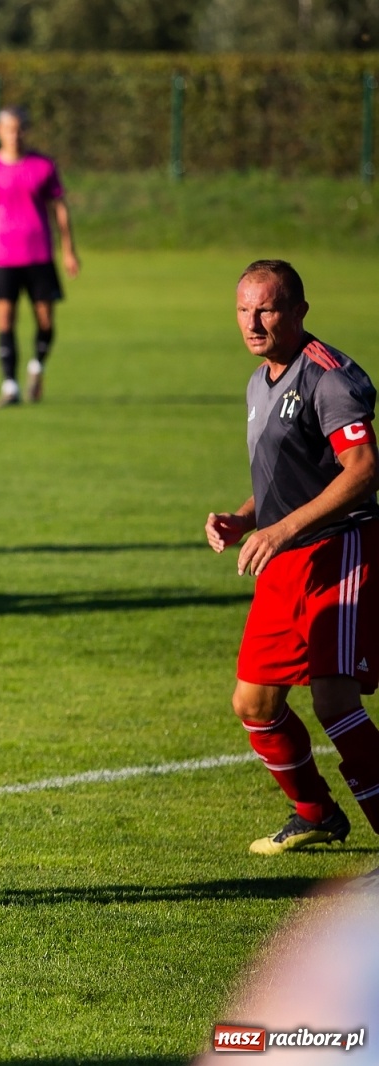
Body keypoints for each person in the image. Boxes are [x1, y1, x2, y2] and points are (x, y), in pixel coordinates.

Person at [206, 259, 379, 855]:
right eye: (243, 310)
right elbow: (288, 473)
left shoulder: (329, 377)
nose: (253, 323)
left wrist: (281, 529)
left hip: (339, 549)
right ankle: (315, 813)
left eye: (267, 309)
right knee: (254, 703)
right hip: (284, 558)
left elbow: (363, 470)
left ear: (300, 311)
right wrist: (244, 519)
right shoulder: (259, 381)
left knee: (335, 703)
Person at [0, 106, 79, 408]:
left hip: (39, 255)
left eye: (19, 129)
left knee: (45, 320)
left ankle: (37, 367)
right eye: (8, 129)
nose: (14, 135)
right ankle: (10, 386)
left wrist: (69, 250)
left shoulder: (43, 166)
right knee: (5, 320)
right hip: (2, 257)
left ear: (26, 130)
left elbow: (59, 208)